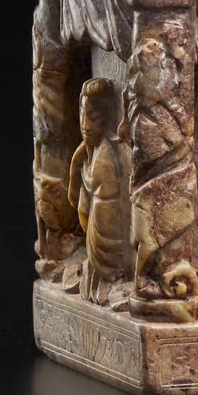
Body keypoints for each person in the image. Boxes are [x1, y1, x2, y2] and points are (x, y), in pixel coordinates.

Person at [68, 79, 130, 302]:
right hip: (98, 217)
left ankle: (112, 278)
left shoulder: (106, 150)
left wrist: (81, 166)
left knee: (105, 259)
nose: (86, 126)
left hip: (107, 222)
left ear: (105, 118)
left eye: (93, 118)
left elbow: (95, 181)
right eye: (83, 117)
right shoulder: (94, 148)